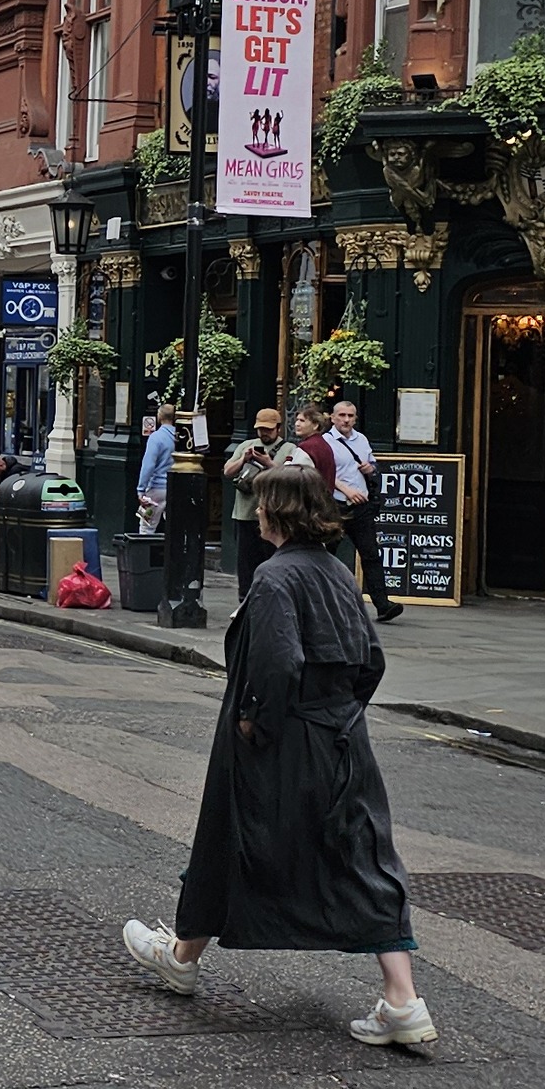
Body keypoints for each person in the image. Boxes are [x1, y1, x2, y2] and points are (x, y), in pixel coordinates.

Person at [121, 458, 435, 1054]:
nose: (257, 512)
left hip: (283, 740)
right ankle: (402, 1000)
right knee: (360, 855)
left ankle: (182, 957)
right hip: (341, 737)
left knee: (230, 836)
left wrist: (253, 724)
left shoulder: (274, 578)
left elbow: (277, 663)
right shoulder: (339, 573)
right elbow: (372, 659)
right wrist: (342, 712)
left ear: (276, 513)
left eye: (262, 503)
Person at [324, 393, 402, 620]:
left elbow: (372, 465)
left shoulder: (362, 440)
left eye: (350, 416)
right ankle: (324, 601)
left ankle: (382, 604)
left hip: (361, 508)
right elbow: (323, 474)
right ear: (332, 418)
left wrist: (371, 468)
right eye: (342, 416)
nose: (346, 420)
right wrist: (345, 489)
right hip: (336, 506)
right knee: (327, 554)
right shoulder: (326, 443)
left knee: (371, 555)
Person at [224, 402, 287, 600]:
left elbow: (288, 477)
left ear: (278, 428)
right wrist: (243, 459)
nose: (264, 433)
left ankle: (268, 599)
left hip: (273, 515)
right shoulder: (245, 445)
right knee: (246, 562)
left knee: (271, 560)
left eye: (268, 429)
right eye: (260, 429)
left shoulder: (289, 448)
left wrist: (268, 463)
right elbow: (227, 472)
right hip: (245, 513)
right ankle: (244, 600)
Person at [137, 402, 177, 533]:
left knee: (146, 526)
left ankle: (144, 553)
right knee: (173, 527)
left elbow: (148, 465)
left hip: (156, 488)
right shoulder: (180, 437)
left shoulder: (156, 437)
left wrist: (141, 489)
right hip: (175, 487)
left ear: (159, 416)